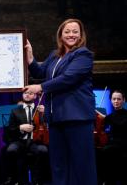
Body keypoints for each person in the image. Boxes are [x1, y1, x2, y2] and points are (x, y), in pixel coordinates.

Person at [24, 18, 97, 185]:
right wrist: (30, 57)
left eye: (75, 32)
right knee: (59, 165)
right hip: (56, 118)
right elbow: (40, 72)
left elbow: (68, 78)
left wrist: (40, 87)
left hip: (77, 118)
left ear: (81, 35)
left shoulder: (83, 54)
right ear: (60, 34)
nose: (71, 35)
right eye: (67, 31)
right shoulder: (54, 55)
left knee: (82, 165)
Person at [5, 90, 49, 184]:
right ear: (22, 95)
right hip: (20, 140)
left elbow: (48, 125)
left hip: (35, 140)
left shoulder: (40, 110)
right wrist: (20, 127)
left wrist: (45, 113)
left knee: (43, 150)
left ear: (35, 96)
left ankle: (37, 180)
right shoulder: (15, 110)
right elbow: (10, 129)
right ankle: (15, 179)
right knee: (11, 150)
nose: (27, 95)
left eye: (30, 93)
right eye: (25, 93)